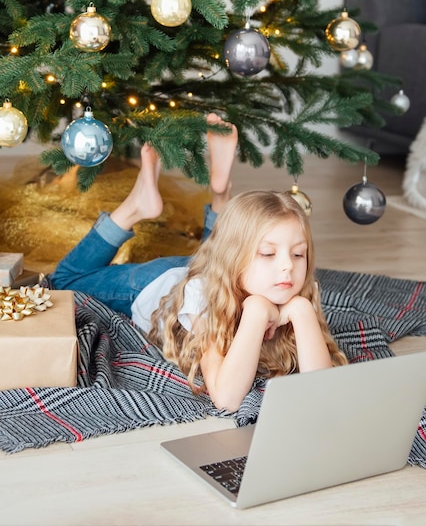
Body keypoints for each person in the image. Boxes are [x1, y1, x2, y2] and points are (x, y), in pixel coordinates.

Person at [51, 114, 347, 412]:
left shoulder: (294, 290)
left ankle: (221, 194)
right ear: (238, 259)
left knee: (216, 255)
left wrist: (302, 310)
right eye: (268, 254)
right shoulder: (203, 299)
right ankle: (136, 205)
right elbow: (226, 398)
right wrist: (257, 311)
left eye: (298, 254)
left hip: (215, 266)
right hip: (157, 283)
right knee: (63, 281)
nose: (288, 267)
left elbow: (320, 389)